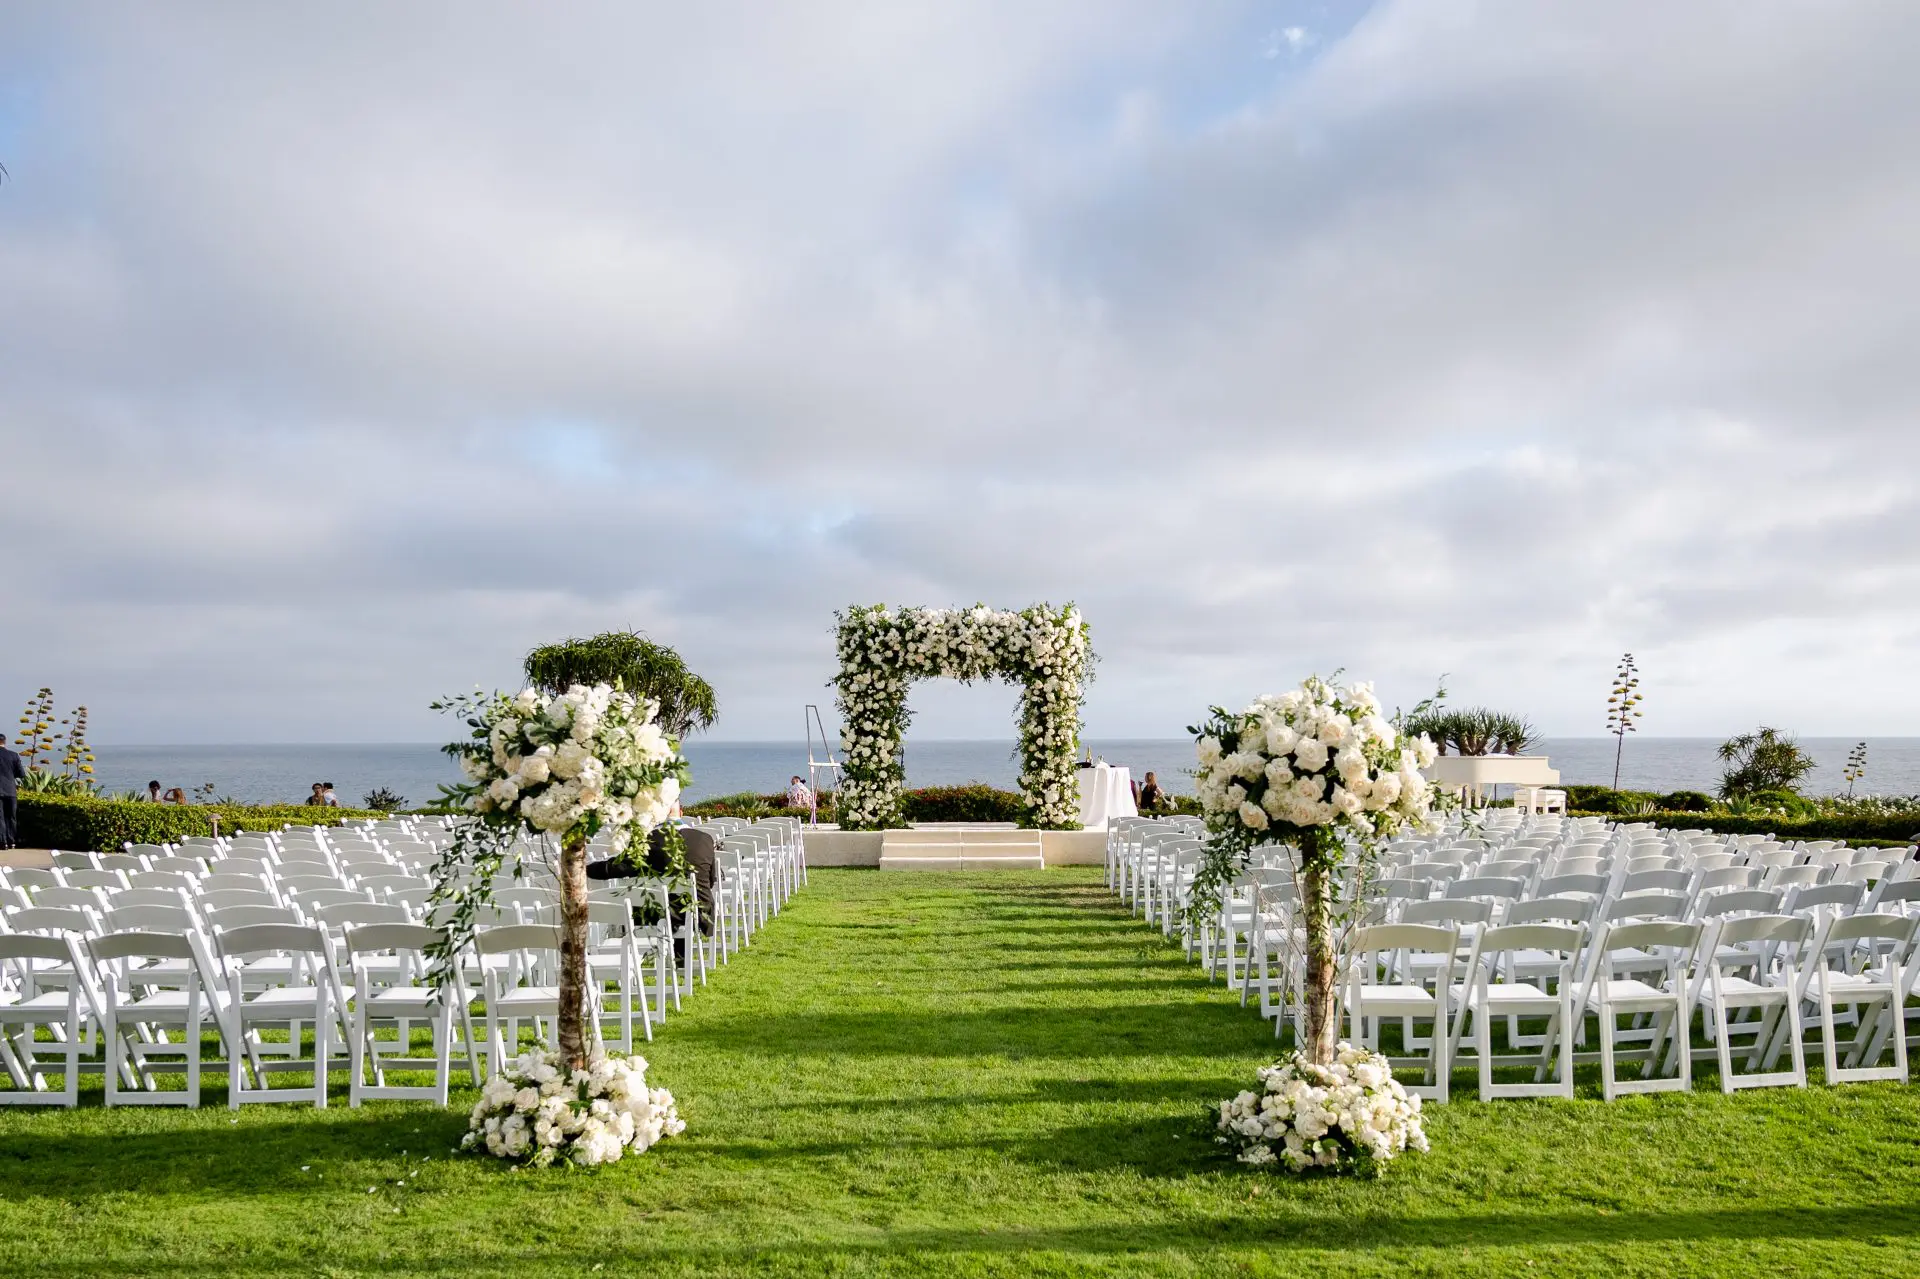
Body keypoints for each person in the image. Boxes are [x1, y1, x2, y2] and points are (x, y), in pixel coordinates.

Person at [0, 734, 25, 850]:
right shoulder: (14, 755)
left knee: (0, 817)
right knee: (11, 817)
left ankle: (3, 842)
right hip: (10, 790)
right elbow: (21, 774)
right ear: (4, 741)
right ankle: (12, 842)